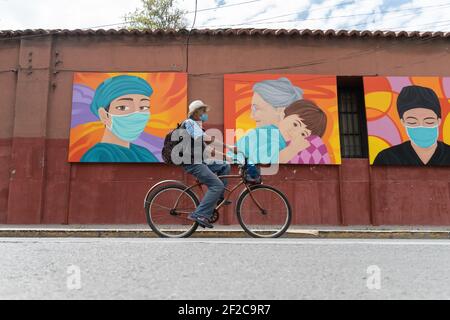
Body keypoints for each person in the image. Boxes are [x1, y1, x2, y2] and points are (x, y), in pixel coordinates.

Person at [182, 100, 237, 229]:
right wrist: (228, 146)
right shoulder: (189, 123)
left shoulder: (196, 126)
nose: (204, 114)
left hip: (201, 160)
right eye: (202, 111)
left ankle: (218, 198)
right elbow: (206, 138)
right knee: (216, 185)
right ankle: (200, 214)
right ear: (195, 112)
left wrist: (225, 156)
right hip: (193, 162)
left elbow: (207, 149)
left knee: (224, 166)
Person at [250, 77, 330, 164]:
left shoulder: (310, 146)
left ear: (281, 111)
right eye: (295, 125)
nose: (251, 116)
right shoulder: (263, 141)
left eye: (256, 108)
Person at [81, 75, 158, 163]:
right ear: (104, 115)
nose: (136, 114)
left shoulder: (144, 153)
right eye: (123, 107)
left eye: (144, 107)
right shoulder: (100, 156)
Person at [374, 85, 450, 166]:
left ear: (439, 121)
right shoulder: (387, 157)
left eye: (429, 121)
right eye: (412, 122)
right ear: (403, 122)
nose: (421, 127)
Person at [236, 100, 328, 164]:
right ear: (283, 115)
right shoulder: (269, 134)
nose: (295, 132)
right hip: (234, 161)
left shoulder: (281, 141)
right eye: (296, 124)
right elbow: (270, 160)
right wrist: (293, 149)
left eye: (303, 134)